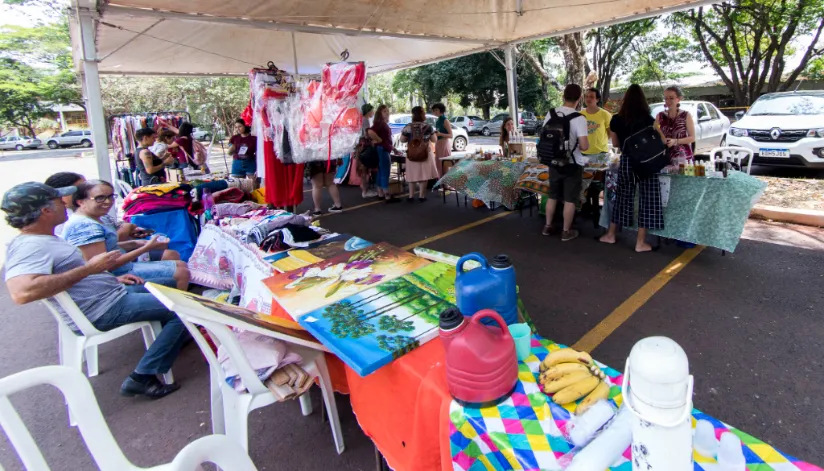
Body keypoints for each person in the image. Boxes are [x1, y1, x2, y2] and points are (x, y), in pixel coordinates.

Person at [2, 182, 186, 398]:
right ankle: (143, 376)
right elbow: (22, 293)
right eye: (58, 201)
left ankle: (169, 339)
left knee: (176, 289)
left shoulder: (43, 238)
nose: (65, 204)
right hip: (103, 308)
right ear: (45, 211)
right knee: (183, 308)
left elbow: (75, 271)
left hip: (111, 292)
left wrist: (111, 277)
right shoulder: (30, 246)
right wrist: (91, 268)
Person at [61, 180, 190, 289]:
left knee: (181, 264)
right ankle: (172, 314)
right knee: (181, 272)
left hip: (122, 268)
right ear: (80, 202)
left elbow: (109, 248)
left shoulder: (95, 218)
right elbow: (104, 266)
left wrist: (135, 243)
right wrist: (146, 248)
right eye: (100, 198)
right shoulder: (85, 226)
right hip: (112, 278)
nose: (108, 202)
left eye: (111, 197)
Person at [599, 84, 664, 252]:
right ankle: (640, 243)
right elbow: (660, 141)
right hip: (648, 163)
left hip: (627, 161)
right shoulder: (649, 120)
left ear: (625, 100)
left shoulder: (616, 119)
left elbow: (615, 144)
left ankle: (610, 235)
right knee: (648, 200)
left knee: (622, 197)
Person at [542, 84, 590, 242]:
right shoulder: (579, 118)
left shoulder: (550, 114)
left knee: (553, 195)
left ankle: (548, 227)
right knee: (570, 199)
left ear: (563, 96)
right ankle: (566, 231)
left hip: (553, 161)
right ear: (579, 98)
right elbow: (584, 146)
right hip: (572, 163)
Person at [399, 106, 439, 202]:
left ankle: (411, 196)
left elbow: (402, 140)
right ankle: (421, 196)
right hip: (424, 153)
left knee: (412, 175)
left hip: (412, 154)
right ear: (421, 114)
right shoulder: (428, 127)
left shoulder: (408, 127)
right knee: (423, 175)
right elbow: (434, 140)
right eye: (424, 113)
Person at [368, 104, 400, 203]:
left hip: (382, 149)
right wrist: (379, 140)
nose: (387, 113)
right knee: (385, 172)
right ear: (380, 113)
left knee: (381, 172)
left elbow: (385, 140)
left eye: (387, 111)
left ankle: (380, 193)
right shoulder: (380, 123)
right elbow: (370, 131)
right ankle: (387, 195)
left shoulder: (381, 123)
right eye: (384, 111)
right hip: (383, 150)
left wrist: (393, 148)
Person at [656, 86, 696, 165]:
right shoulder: (659, 116)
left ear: (678, 99)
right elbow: (656, 134)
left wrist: (676, 141)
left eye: (671, 98)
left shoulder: (686, 115)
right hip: (665, 157)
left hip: (683, 157)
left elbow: (692, 138)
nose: (668, 101)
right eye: (666, 98)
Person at [580, 88, 612, 165]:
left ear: (597, 99)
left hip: (601, 153)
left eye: (591, 97)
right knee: (585, 176)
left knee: (599, 176)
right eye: (586, 96)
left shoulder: (605, 114)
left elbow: (610, 133)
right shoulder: (580, 115)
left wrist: (599, 142)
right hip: (583, 153)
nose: (588, 99)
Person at [357, 104, 378, 199]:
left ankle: (364, 188)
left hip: (360, 147)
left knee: (363, 169)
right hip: (365, 147)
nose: (373, 113)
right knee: (364, 169)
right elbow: (366, 134)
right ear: (368, 111)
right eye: (372, 111)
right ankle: (365, 191)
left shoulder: (360, 119)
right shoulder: (365, 120)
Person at [431, 103, 452, 171]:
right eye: (434, 110)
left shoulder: (445, 120)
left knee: (444, 164)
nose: (435, 112)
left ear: (441, 110)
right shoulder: (437, 121)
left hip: (444, 143)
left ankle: (445, 180)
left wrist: (440, 134)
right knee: (438, 164)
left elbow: (450, 135)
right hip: (438, 143)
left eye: (436, 110)